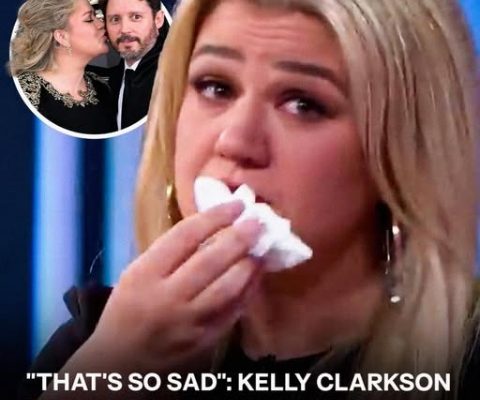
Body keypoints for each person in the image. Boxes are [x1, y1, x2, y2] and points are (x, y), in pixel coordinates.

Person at [19, 0, 480, 399]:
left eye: (302, 104)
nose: (236, 141)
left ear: (401, 152)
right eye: (215, 87)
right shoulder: (99, 341)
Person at [10, 0, 117, 135]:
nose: (101, 24)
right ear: (62, 37)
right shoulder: (26, 94)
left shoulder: (104, 87)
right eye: (89, 19)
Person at [100, 0, 168, 130]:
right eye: (115, 19)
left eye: (136, 17)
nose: (124, 29)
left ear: (158, 19)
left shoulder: (177, 76)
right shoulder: (113, 79)